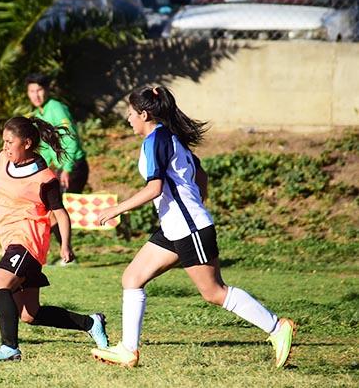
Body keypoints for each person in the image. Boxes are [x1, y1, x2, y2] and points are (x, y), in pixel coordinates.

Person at [92, 86, 295, 368]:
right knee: (132, 278)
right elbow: (201, 174)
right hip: (176, 227)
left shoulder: (156, 140)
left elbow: (154, 188)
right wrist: (194, 202)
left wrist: (116, 208)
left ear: (144, 113)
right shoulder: (171, 138)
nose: (128, 119)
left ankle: (276, 327)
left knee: (214, 292)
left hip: (189, 228)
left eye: (129, 114)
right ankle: (128, 350)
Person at [0, 116, 108, 361]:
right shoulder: (2, 159)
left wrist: (66, 246)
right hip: (11, 241)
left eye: (10, 142)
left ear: (27, 143)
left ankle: (9, 347)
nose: (5, 146)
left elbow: (60, 213)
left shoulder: (45, 177)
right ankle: (91, 323)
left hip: (28, 240)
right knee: (30, 314)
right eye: (4, 141)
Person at [25, 73, 88, 193]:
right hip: (61, 167)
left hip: (73, 166)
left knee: (65, 207)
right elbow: (46, 147)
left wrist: (68, 169)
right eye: (32, 91)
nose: (36, 95)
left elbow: (70, 137)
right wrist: (42, 169)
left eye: (39, 90)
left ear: (47, 90)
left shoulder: (56, 108)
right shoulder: (39, 114)